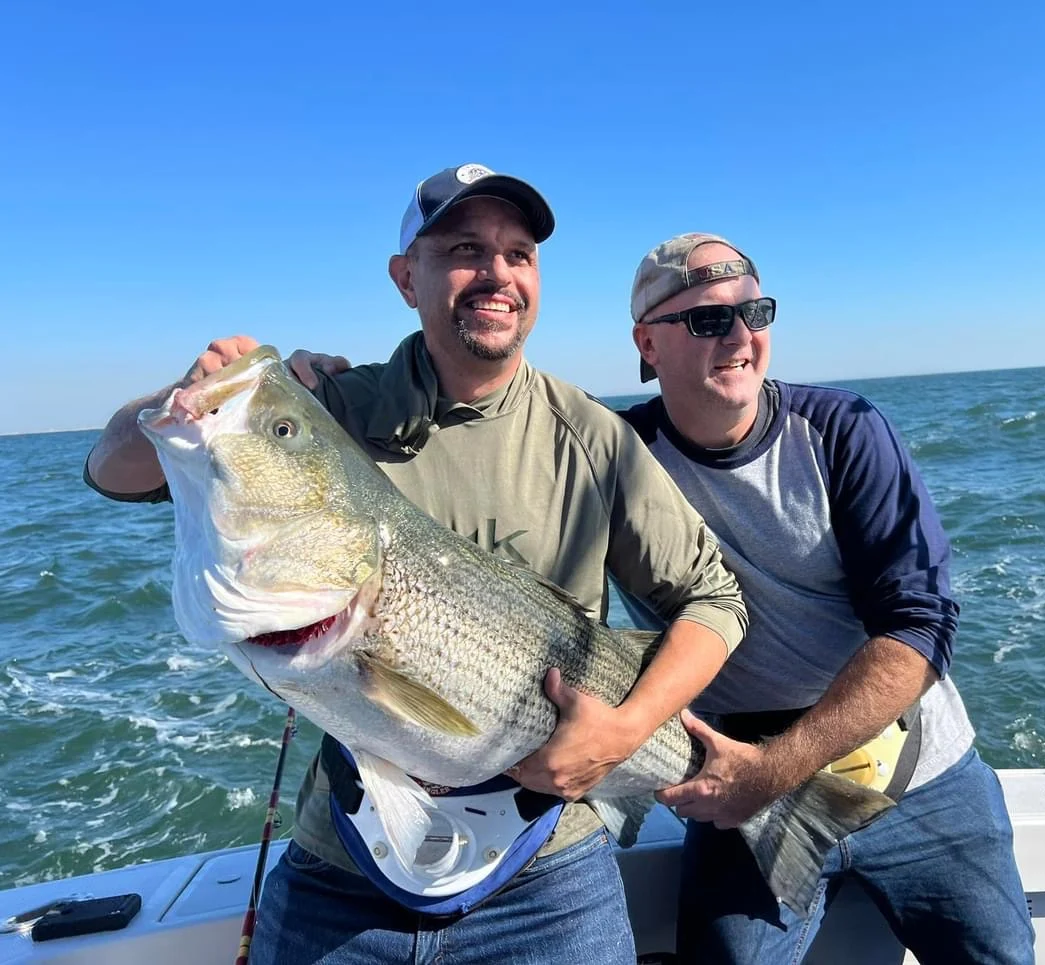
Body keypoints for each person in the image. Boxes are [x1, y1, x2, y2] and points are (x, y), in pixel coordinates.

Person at [82, 167, 748, 965]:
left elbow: (714, 598)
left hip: (551, 865)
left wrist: (626, 733)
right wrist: (190, 396)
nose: (497, 274)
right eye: (465, 249)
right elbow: (112, 469)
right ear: (407, 278)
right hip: (343, 867)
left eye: (519, 253)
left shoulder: (594, 436)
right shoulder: (333, 406)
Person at [617, 232, 1036, 964]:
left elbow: (920, 625)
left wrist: (774, 771)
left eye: (757, 312)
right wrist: (347, 397)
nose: (743, 337)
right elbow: (491, 449)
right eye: (710, 320)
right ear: (647, 343)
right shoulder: (613, 458)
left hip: (919, 775)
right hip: (737, 785)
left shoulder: (844, 433)